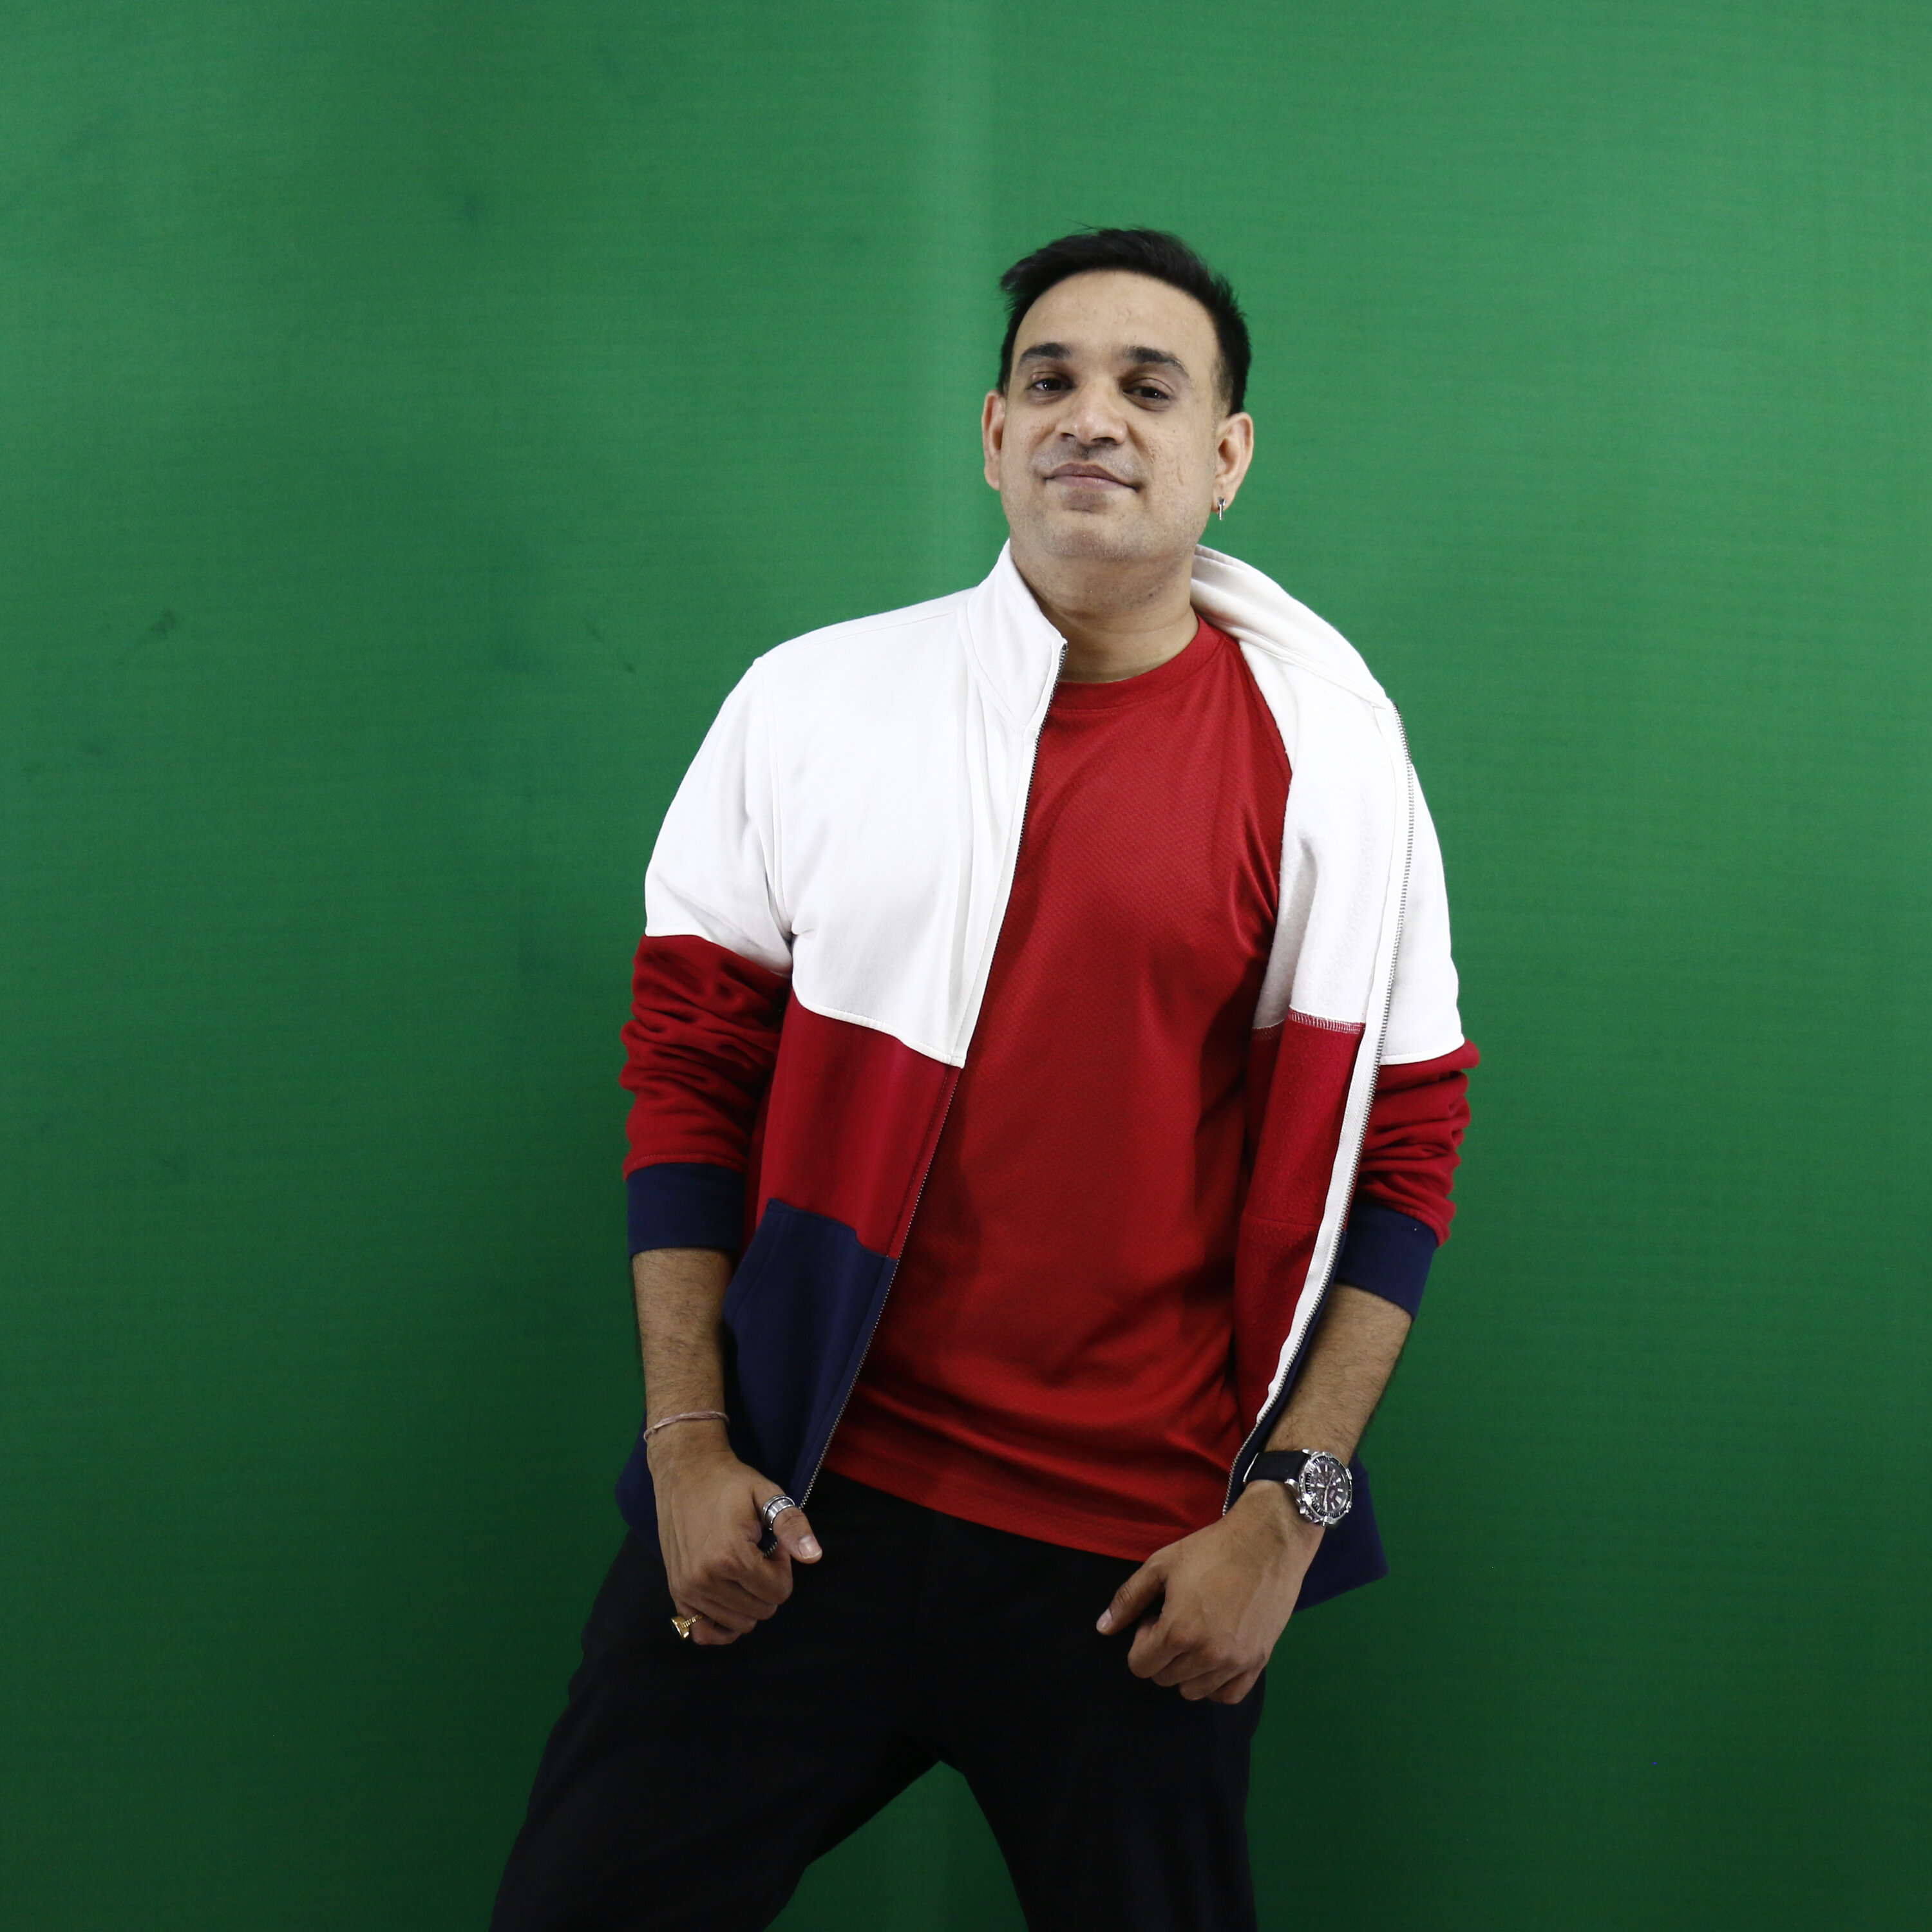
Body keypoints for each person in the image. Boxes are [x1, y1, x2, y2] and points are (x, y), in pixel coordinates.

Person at [493, 227, 1476, 1932]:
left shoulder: (1340, 771)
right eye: (1051, 379)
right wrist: (687, 1442)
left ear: (1227, 456)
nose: (1094, 416)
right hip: (797, 1506)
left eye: (1149, 387)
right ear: (996, 434)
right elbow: (692, 1071)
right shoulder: (812, 705)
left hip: (1136, 1559)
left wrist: (1287, 1517)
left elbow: (1406, 1146)